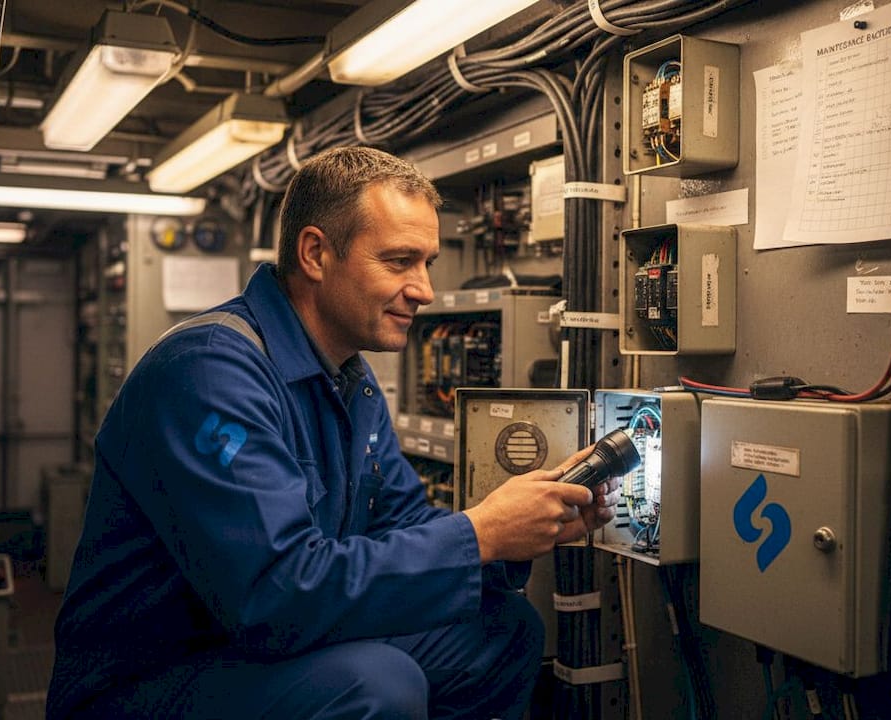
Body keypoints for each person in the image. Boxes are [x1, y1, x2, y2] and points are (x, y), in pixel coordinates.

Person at [47, 146, 621, 720]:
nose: (423, 290)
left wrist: (526, 529)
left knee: (499, 632)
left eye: (428, 263)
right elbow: (274, 594)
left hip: (256, 648)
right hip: (150, 678)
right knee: (374, 685)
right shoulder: (207, 371)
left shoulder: (349, 380)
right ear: (317, 253)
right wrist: (480, 535)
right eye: (399, 262)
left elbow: (403, 527)